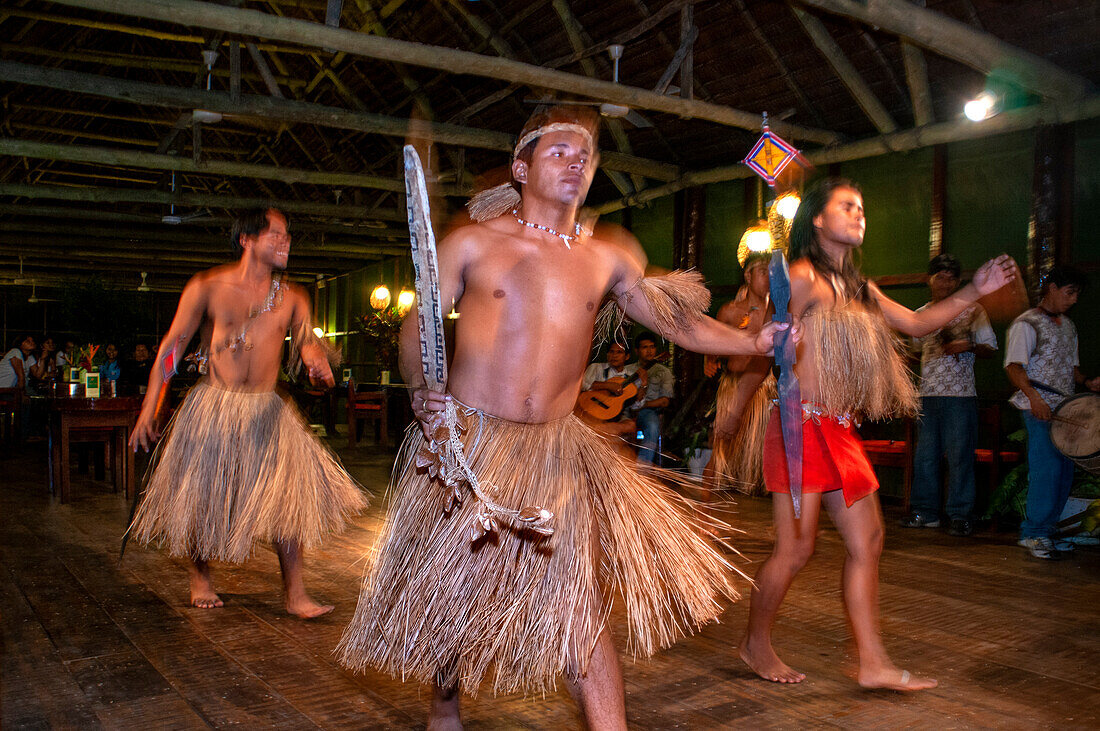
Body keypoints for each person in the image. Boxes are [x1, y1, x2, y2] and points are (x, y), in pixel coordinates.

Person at [338, 105, 791, 729]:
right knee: (452, 597)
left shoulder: (607, 257)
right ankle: (444, 708)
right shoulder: (473, 242)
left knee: (580, 605)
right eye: (559, 152)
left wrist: (751, 344)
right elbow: (421, 328)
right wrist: (422, 386)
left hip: (556, 453)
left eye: (585, 156)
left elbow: (675, 321)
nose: (576, 162)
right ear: (521, 167)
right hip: (467, 445)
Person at [738, 177, 1017, 691]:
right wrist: (737, 406)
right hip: (798, 424)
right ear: (817, 219)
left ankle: (872, 662)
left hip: (838, 428)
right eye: (847, 206)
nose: (858, 213)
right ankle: (755, 642)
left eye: (862, 207)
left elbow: (916, 323)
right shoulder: (800, 277)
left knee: (869, 539)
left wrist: (976, 289)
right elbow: (760, 346)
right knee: (795, 551)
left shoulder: (861, 290)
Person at [127, 207, 366, 616]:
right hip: (213, 406)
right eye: (276, 234)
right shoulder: (208, 286)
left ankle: (295, 593)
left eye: (288, 235)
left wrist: (317, 361)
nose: (285, 241)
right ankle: (200, 576)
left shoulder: (293, 297)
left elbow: (308, 344)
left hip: (267, 412)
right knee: (204, 495)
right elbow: (171, 350)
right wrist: (149, 407)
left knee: (287, 497)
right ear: (247, 239)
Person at [1005, 266, 1100, 560]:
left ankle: (1048, 532)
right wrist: (1034, 398)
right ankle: (1033, 533)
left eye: (1077, 295)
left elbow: (1072, 369)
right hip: (1038, 408)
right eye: (1069, 292)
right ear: (1053, 288)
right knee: (1047, 470)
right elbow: (1013, 367)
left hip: (1064, 408)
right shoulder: (1026, 324)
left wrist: (1087, 382)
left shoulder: (1068, 327)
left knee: (1063, 472)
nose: (1073, 299)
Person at [901, 254, 997, 537]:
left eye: (951, 278)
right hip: (927, 394)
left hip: (961, 396)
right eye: (940, 276)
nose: (945, 282)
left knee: (960, 456)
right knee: (925, 456)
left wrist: (967, 345)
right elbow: (914, 353)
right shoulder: (920, 314)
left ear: (957, 282)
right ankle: (925, 512)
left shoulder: (973, 310)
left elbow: (990, 348)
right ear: (929, 279)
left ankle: (960, 514)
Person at [703, 252, 775, 493]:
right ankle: (706, 504)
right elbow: (710, 344)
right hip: (731, 387)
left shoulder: (776, 312)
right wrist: (709, 361)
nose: (769, 278)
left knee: (759, 453)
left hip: (763, 390)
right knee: (720, 447)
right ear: (748, 275)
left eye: (772, 273)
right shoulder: (730, 311)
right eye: (763, 272)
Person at [629, 332, 674, 464]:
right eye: (645, 347)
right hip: (625, 409)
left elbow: (665, 401)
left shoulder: (664, 372)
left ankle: (642, 470)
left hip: (647, 411)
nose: (649, 351)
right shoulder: (628, 369)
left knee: (653, 425)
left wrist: (643, 405)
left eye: (652, 347)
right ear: (637, 351)